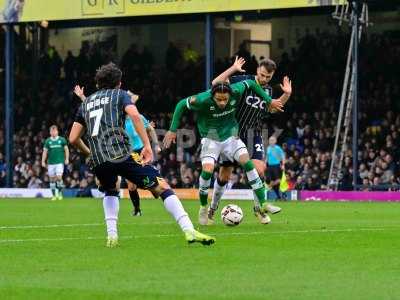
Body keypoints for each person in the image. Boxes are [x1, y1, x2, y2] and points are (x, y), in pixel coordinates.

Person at [69, 62, 215, 247]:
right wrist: (147, 145)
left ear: (98, 83)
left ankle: (112, 236)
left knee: (111, 190)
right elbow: (135, 115)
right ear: (119, 83)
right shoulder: (120, 95)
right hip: (121, 154)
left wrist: (90, 154)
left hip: (99, 160)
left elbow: (73, 138)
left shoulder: (86, 103)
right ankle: (189, 230)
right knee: (161, 187)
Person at [163, 80, 284, 225]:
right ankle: (203, 207)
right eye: (218, 99)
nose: (222, 102)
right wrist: (172, 129)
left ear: (230, 95)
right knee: (207, 171)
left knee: (248, 163)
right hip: (211, 137)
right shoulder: (202, 99)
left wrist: (269, 100)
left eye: (225, 99)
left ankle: (263, 204)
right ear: (212, 95)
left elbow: (251, 83)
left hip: (231, 136)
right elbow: (182, 104)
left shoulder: (236, 91)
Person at [209, 57, 292, 223]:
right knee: (225, 175)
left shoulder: (268, 91)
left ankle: (259, 209)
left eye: (268, 77)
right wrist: (233, 68)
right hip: (232, 132)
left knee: (259, 169)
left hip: (254, 133)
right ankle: (212, 208)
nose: (264, 79)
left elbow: (273, 108)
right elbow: (216, 83)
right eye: (262, 75)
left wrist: (286, 94)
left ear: (272, 75)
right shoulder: (243, 80)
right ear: (257, 71)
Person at [73, 85, 162, 217]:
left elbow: (150, 129)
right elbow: (96, 107)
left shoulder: (138, 117)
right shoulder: (116, 119)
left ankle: (162, 193)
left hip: (140, 151)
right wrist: (82, 97)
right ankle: (137, 209)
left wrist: (156, 145)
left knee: (155, 191)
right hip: (126, 153)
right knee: (131, 186)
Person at [41, 125, 69, 201]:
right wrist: (43, 161)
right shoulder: (48, 141)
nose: (53, 132)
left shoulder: (62, 140)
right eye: (52, 131)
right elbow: (45, 152)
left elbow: (66, 150)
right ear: (50, 132)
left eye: (55, 131)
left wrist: (67, 159)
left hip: (59, 162)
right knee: (52, 179)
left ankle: (59, 193)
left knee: (59, 177)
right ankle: (54, 195)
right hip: (50, 163)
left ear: (57, 131)